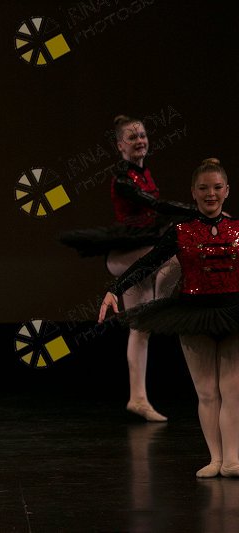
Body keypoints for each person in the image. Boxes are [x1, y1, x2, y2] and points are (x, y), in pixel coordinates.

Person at [99, 158, 239, 478]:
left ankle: (232, 459)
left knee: (232, 391)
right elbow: (147, 263)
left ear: (227, 191)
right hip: (193, 316)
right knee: (207, 392)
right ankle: (216, 458)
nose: (211, 194)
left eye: (217, 187)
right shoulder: (180, 231)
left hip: (233, 315)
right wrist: (114, 289)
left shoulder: (238, 228)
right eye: (203, 188)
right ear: (193, 192)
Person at [62, 115, 197, 422]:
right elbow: (156, 206)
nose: (140, 141)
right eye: (132, 137)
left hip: (142, 250)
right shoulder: (123, 179)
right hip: (126, 254)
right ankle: (162, 305)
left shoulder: (144, 171)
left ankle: (137, 398)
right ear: (119, 146)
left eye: (142, 136)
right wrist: (197, 210)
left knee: (140, 327)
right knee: (178, 253)